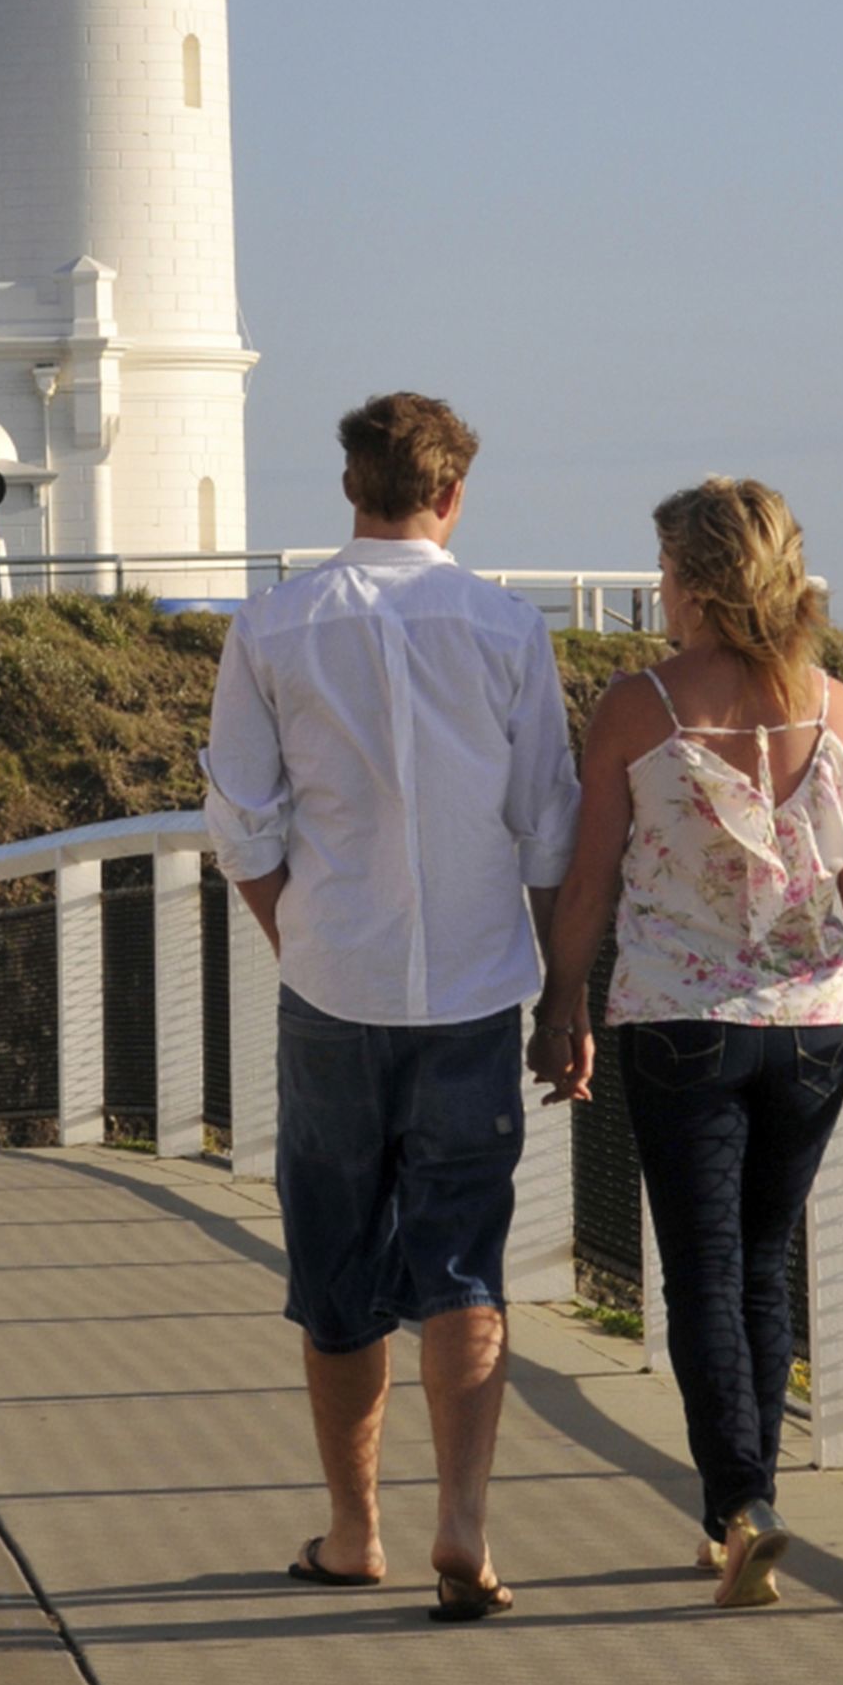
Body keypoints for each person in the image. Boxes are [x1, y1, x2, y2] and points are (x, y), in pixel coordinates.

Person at [203, 392, 579, 1622]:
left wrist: (297, 935)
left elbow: (243, 826)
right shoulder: (509, 629)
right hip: (473, 990)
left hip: (332, 991)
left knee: (336, 1265)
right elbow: (547, 832)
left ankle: (355, 1529)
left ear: (351, 488)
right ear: (452, 494)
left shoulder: (271, 628)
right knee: (463, 1263)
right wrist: (560, 994)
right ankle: (462, 1525)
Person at [529, 478, 843, 1610]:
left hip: (678, 1024)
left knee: (699, 1268)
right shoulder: (833, 707)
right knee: (761, 1261)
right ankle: (745, 1506)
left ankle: (740, 1505)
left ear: (696, 581)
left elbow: (591, 882)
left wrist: (562, 1008)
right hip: (813, 1028)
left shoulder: (638, 708)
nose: (655, 588)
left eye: (661, 569)